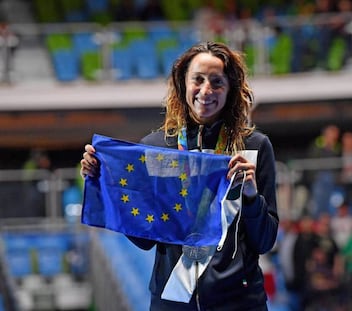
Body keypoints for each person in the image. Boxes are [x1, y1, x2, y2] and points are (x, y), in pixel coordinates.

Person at [80, 41, 279, 310]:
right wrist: (106, 182)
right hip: (172, 300)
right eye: (197, 79)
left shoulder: (254, 147)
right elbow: (145, 240)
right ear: (183, 83)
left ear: (230, 89)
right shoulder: (156, 149)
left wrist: (252, 197)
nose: (206, 90)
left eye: (217, 82)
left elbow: (265, 241)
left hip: (240, 301)